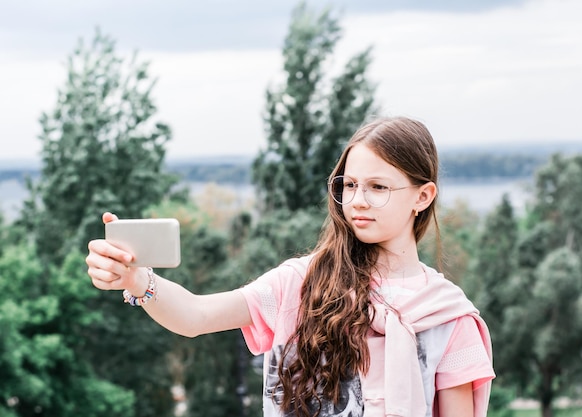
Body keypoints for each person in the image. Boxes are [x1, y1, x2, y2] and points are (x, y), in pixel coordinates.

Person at [86, 116, 495, 417]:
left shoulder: (450, 316)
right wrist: (137, 279)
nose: (358, 201)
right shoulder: (302, 283)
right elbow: (196, 316)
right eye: (349, 185)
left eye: (378, 187)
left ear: (422, 197)